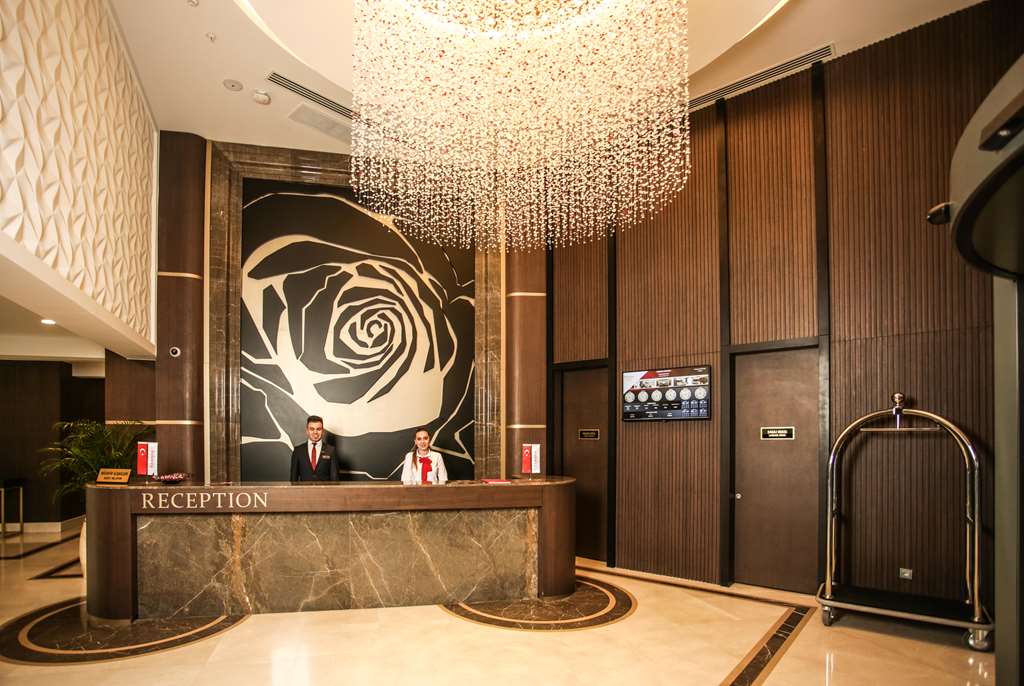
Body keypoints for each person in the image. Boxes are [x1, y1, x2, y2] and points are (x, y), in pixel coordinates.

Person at [290, 415, 338, 482]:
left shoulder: (331, 450)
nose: (315, 432)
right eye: (312, 429)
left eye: (318, 429)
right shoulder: (298, 451)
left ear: (322, 431)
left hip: (324, 489)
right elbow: (293, 480)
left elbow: (334, 479)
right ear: (307, 431)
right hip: (304, 489)